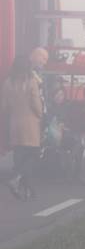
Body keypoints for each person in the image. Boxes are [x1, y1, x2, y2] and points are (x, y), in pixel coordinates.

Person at [1, 55, 44, 200]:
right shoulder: (31, 82)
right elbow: (36, 105)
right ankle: (17, 178)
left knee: (20, 157)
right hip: (30, 124)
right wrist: (41, 115)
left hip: (14, 123)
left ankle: (27, 190)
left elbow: (4, 106)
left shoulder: (8, 82)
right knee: (33, 155)